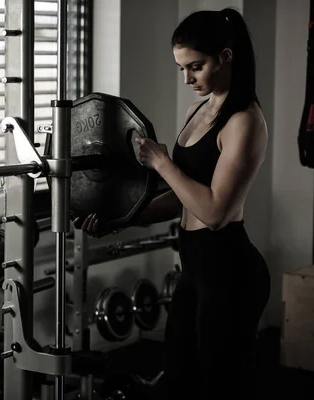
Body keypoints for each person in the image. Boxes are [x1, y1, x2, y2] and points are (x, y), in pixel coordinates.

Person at [74, 8, 271, 400]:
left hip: (230, 271)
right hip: (194, 269)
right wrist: (120, 221)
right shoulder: (196, 111)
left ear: (226, 56)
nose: (187, 79)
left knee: (223, 387)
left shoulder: (244, 121)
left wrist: (162, 162)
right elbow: (183, 201)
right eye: (182, 68)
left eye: (196, 66)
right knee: (179, 380)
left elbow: (213, 212)